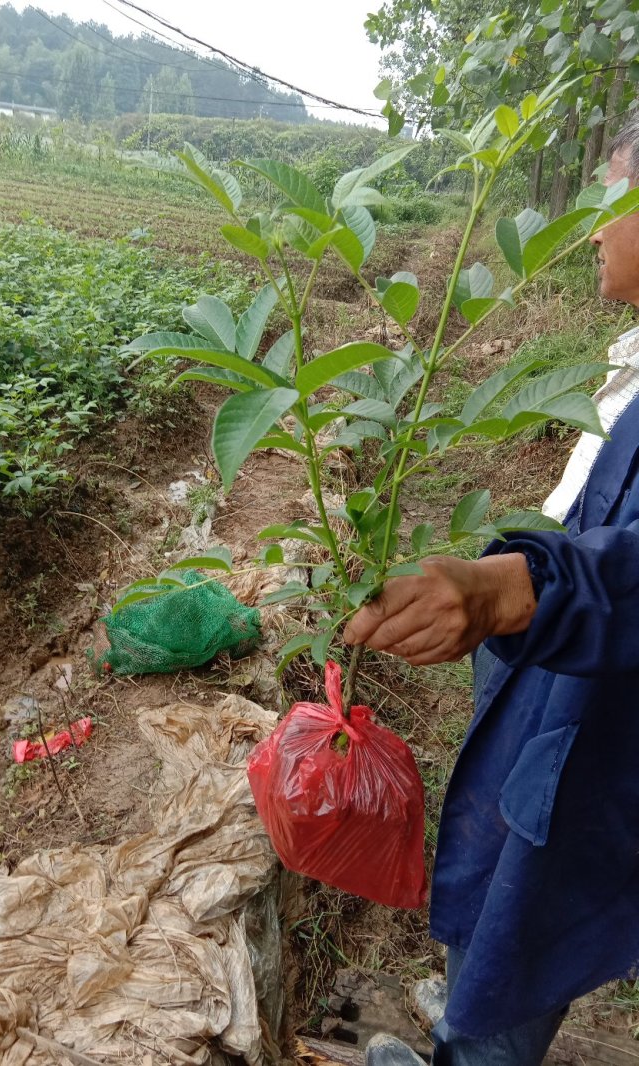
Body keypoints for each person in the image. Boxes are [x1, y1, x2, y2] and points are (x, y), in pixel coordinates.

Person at [344, 118, 639, 1066]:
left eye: (611, 200)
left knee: (535, 907)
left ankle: (471, 1049)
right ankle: (459, 1024)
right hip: (560, 693)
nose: (593, 228)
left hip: (604, 734)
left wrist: (519, 586)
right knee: (505, 872)